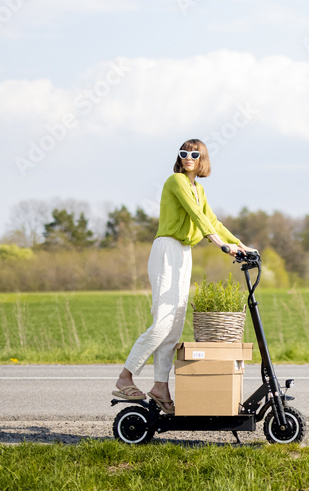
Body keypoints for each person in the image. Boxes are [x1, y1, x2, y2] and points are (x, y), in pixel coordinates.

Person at [113, 139, 255, 414]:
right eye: (184, 153)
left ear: (202, 159)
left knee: (175, 326)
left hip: (184, 253)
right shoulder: (176, 181)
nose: (188, 157)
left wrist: (240, 245)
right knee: (163, 322)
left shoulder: (198, 188)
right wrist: (220, 246)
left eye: (194, 153)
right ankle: (125, 377)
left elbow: (212, 220)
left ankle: (160, 386)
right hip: (167, 249)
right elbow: (197, 218)